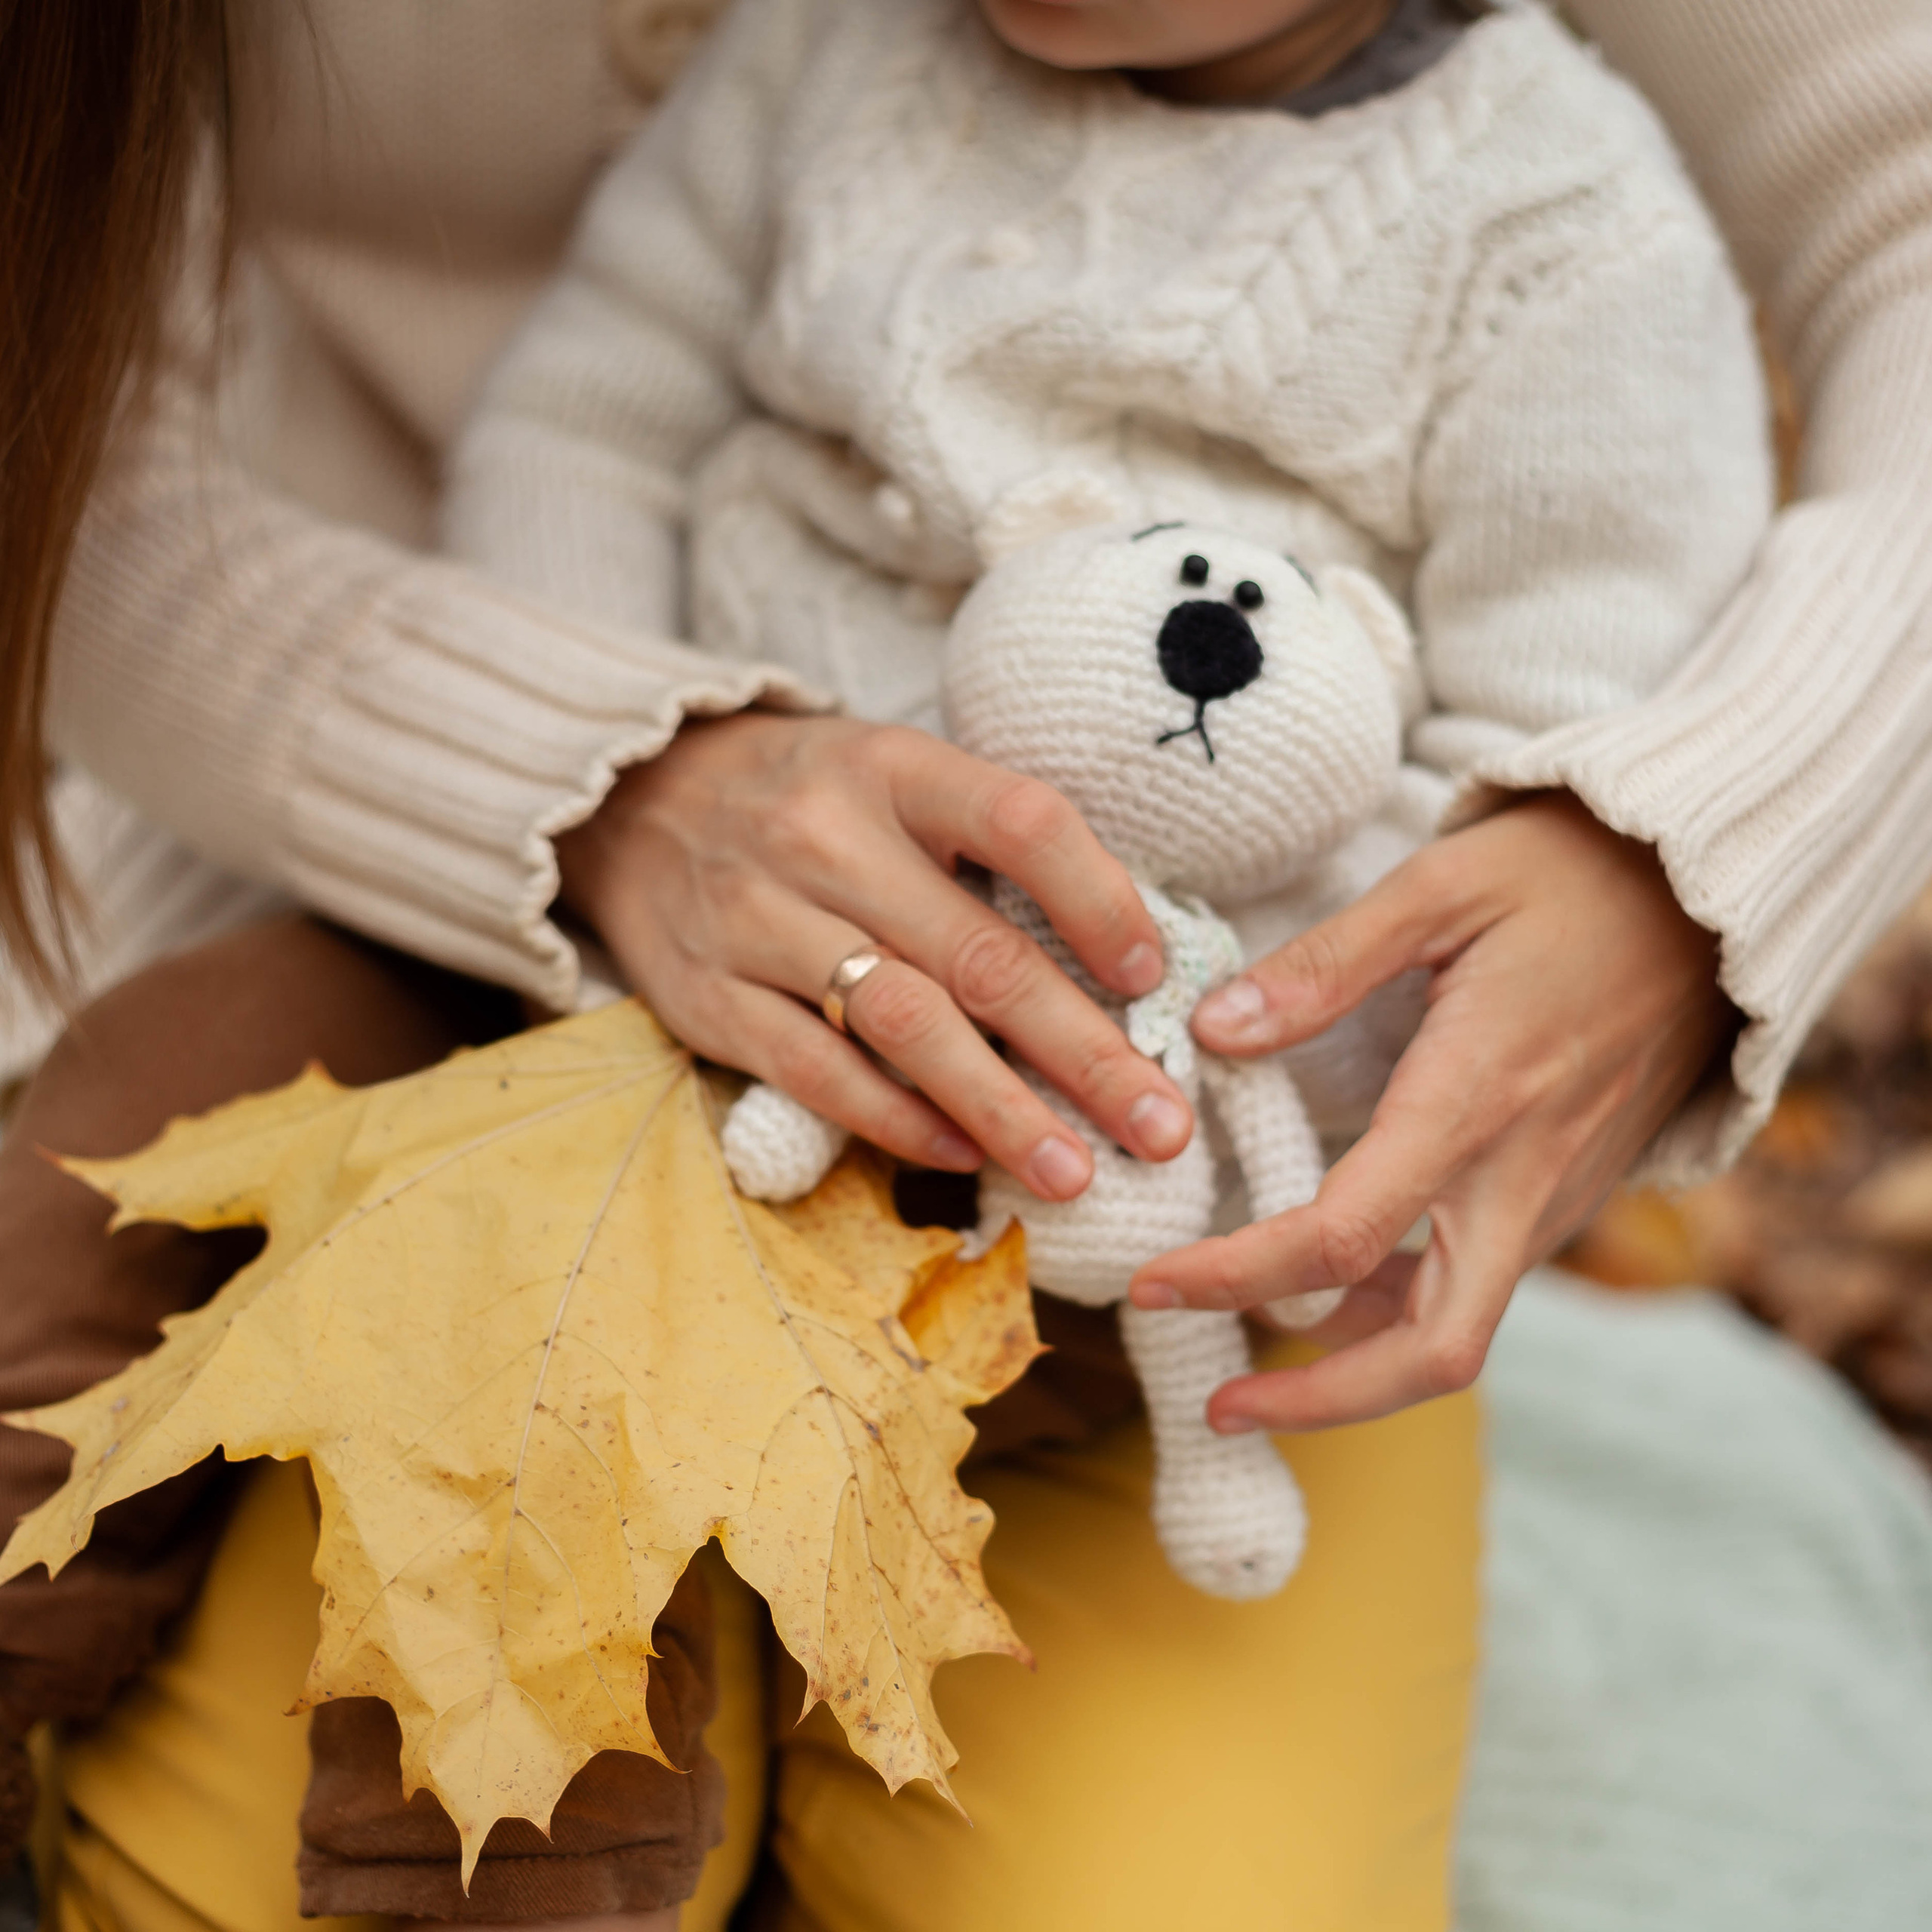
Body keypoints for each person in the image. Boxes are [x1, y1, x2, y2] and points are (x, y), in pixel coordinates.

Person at [0, 0, 1927, 1925]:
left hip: (1113, 1163)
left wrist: (1594, 904)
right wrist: (597, 783)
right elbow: (583, 416)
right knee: (283, 1316)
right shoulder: (827, 66)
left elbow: (1541, 704)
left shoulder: (1563, 230)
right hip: (501, 946)